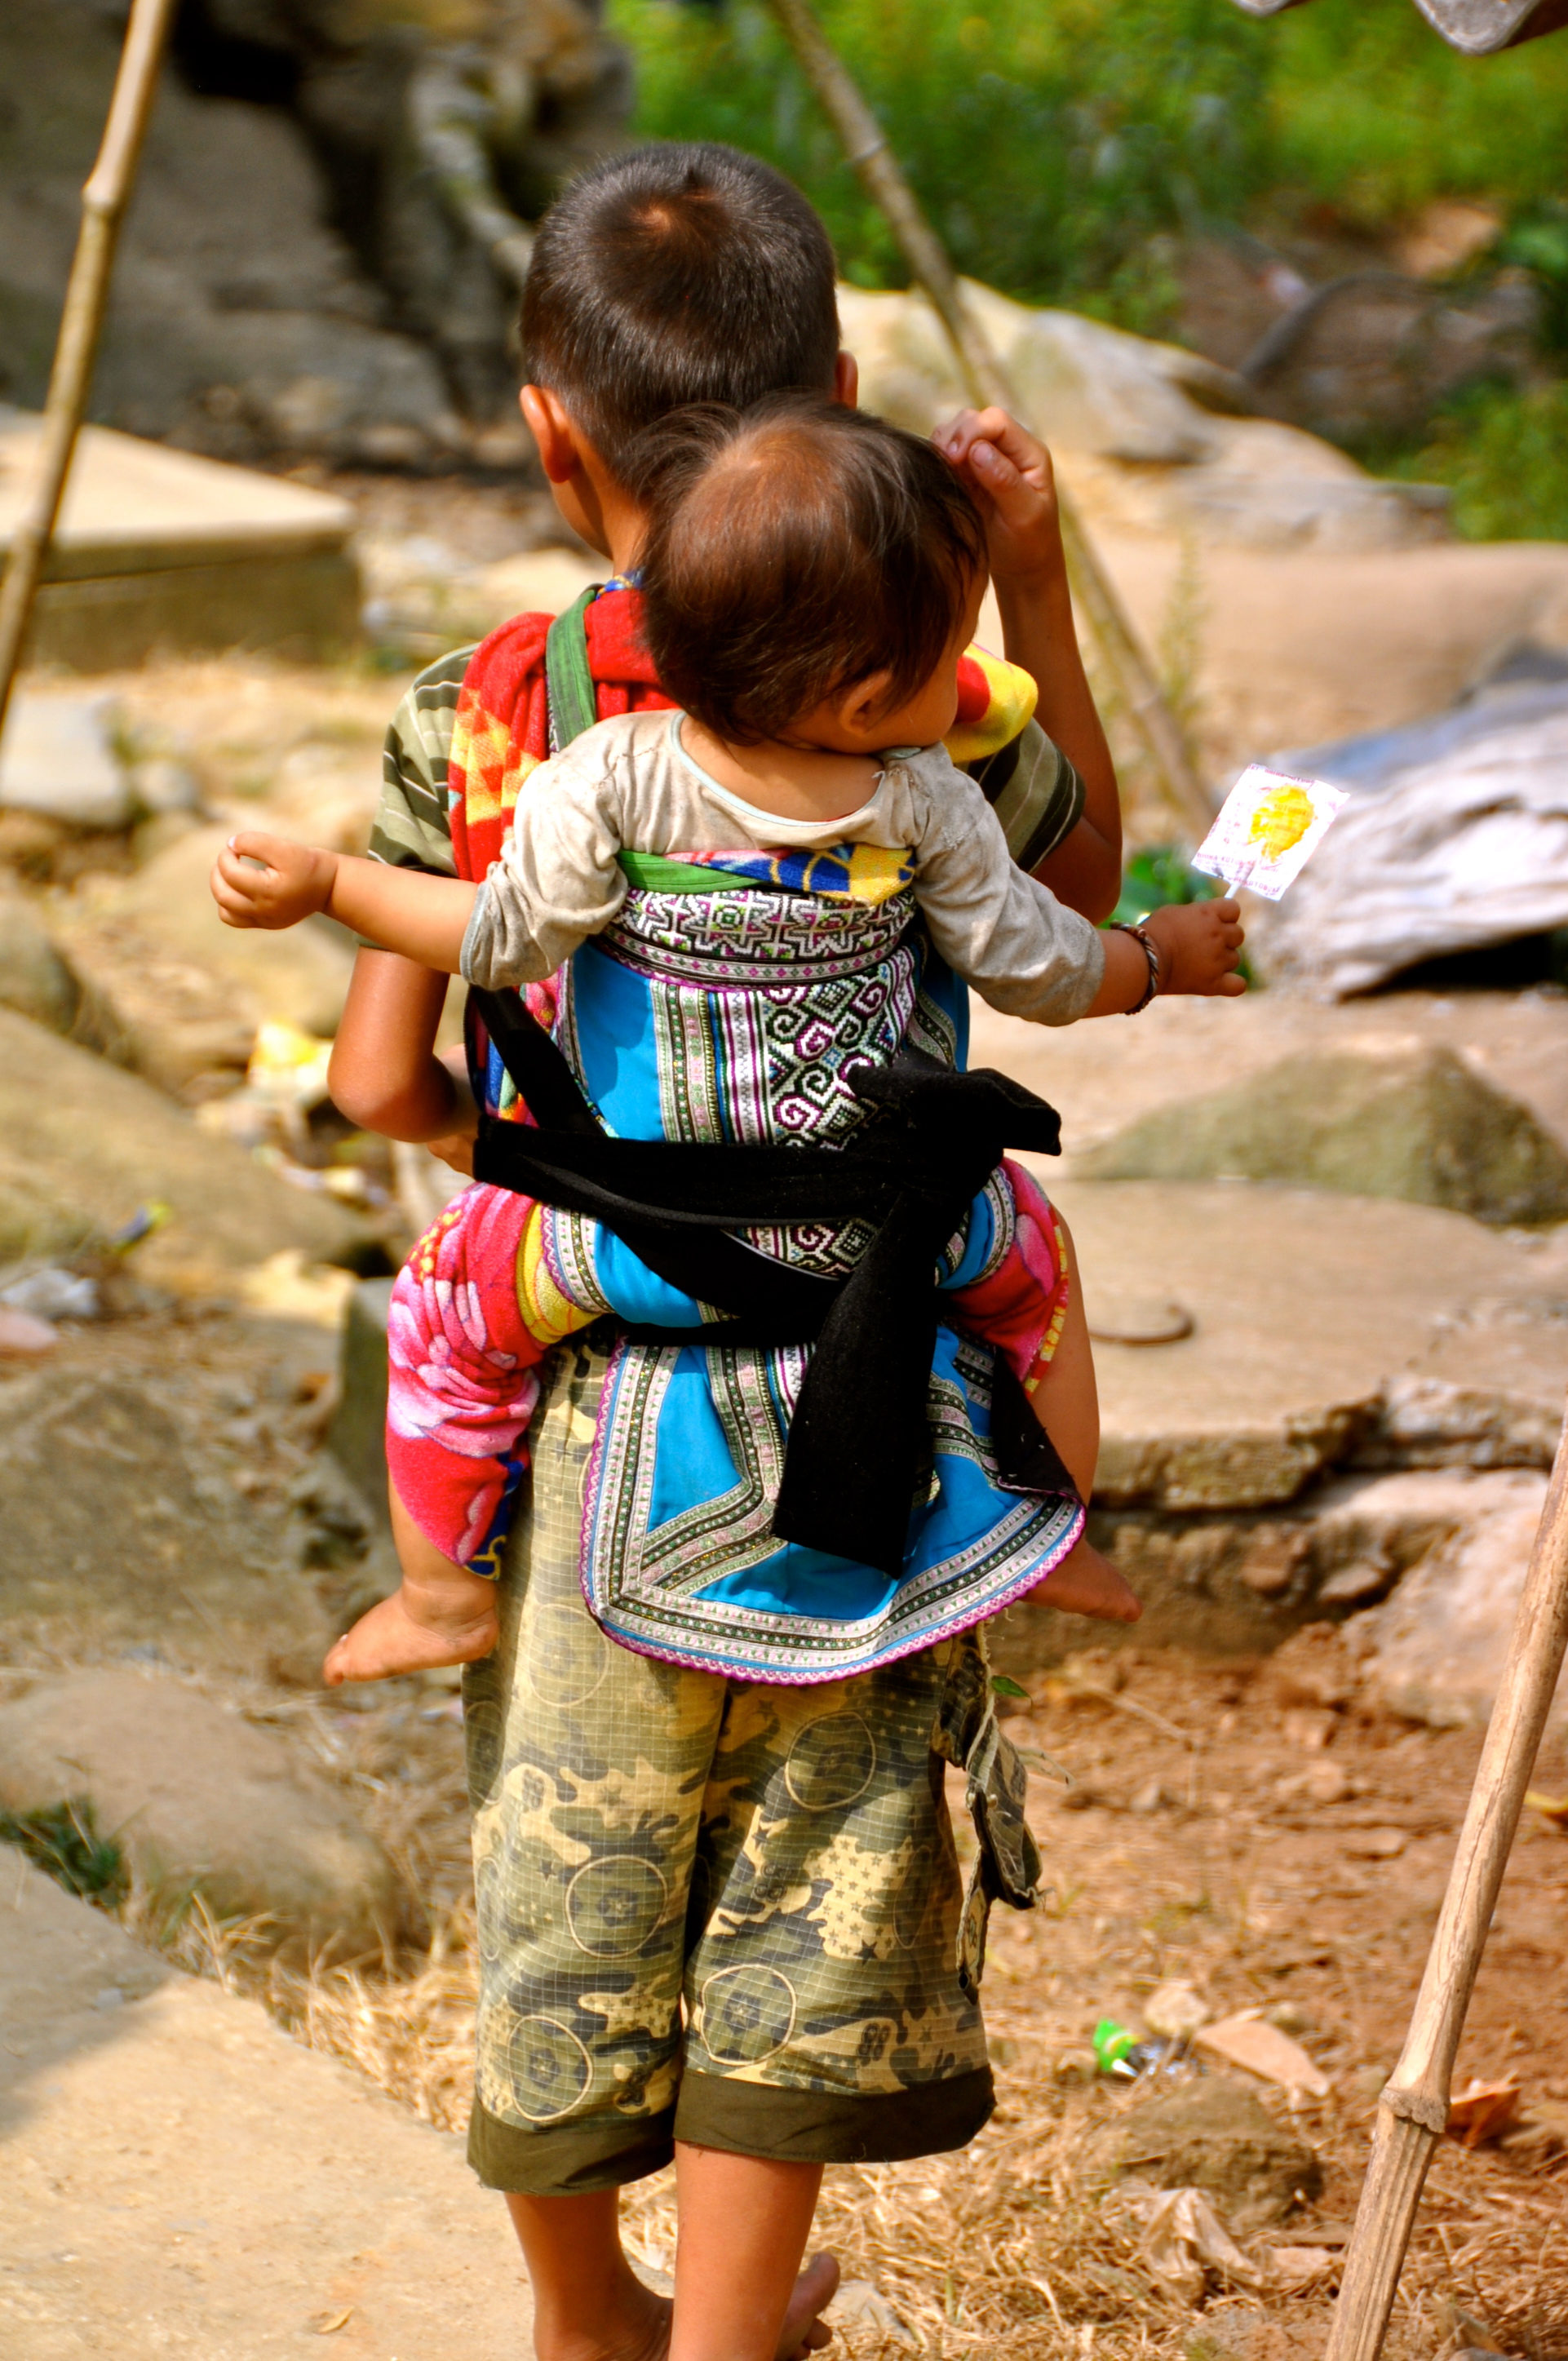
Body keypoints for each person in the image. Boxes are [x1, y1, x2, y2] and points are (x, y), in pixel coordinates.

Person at [213, 148, 1239, 2361]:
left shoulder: (487, 710)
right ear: (846, 391)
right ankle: (731, 2333)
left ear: (545, 432)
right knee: (815, 1871)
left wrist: (550, 1163)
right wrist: (1028, 583)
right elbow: (1080, 896)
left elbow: (386, 1081)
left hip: (590, 1392)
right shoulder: (930, 699)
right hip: (876, 1382)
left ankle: (587, 2311)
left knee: (569, 1868)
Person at [215, 394, 1243, 1690]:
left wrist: (331, 883)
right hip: (884, 1239)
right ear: (869, 696)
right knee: (1039, 1267)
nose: (967, 680)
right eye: (952, 653)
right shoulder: (927, 800)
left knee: (440, 1309)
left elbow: (501, 935)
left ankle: (436, 1594)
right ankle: (1055, 1529)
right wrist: (1157, 959)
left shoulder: (607, 773)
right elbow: (1043, 966)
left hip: (621, 1243)